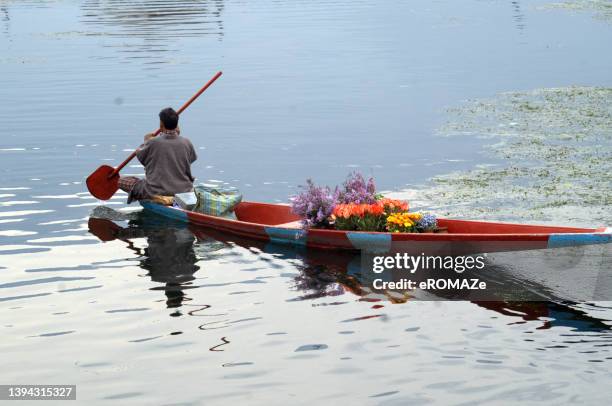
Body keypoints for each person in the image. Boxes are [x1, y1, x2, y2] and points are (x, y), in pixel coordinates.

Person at [118, 107, 197, 203]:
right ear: (177, 124)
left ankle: (151, 198)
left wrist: (146, 141)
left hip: (156, 190)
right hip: (184, 190)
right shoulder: (186, 142)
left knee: (120, 181)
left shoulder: (153, 142)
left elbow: (141, 156)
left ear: (161, 124)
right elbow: (190, 159)